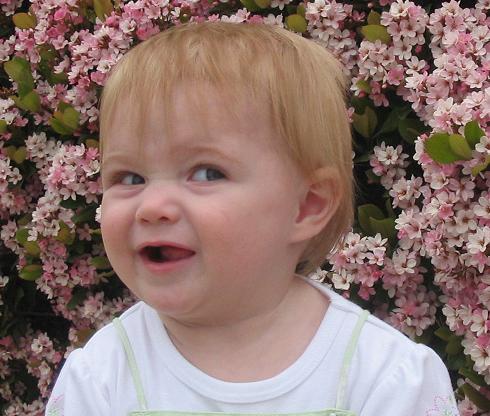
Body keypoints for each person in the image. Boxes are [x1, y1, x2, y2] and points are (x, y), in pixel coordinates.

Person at [45, 22, 460, 416]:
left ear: (307, 206)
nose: (151, 206)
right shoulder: (102, 377)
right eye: (129, 177)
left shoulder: (383, 377)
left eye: (206, 173)